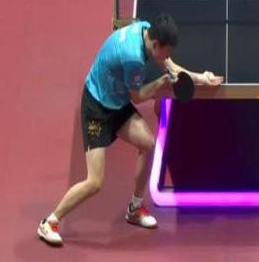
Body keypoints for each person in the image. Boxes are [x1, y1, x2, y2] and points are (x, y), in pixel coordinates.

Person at [37, 14, 223, 246]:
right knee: (95, 182)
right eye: (165, 51)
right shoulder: (133, 58)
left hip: (116, 101)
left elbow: (169, 65)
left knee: (148, 143)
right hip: (97, 107)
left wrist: (200, 77)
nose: (166, 56)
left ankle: (134, 208)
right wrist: (161, 83)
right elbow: (138, 96)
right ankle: (49, 222)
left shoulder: (146, 29)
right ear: (156, 44)